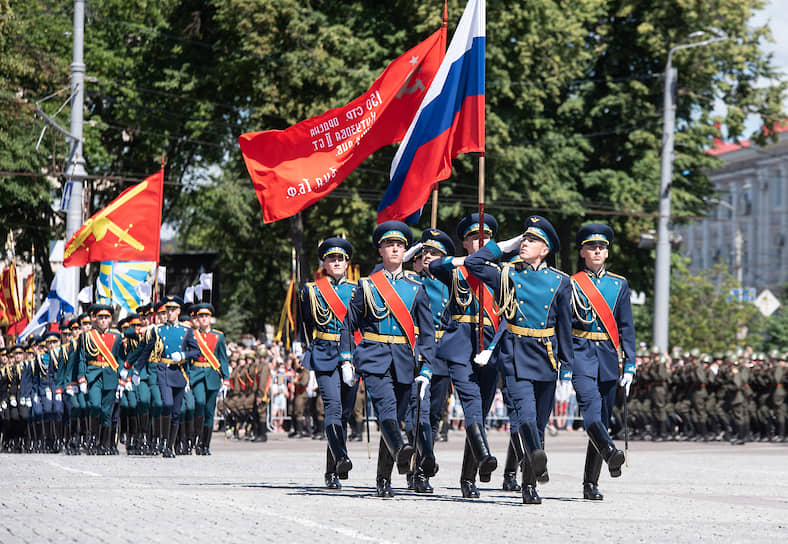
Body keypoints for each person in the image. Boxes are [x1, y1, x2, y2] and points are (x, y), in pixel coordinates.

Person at [465, 215, 573, 504]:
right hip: (515, 353)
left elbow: (564, 325)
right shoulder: (507, 274)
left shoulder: (561, 281)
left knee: (538, 424)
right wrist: (503, 246)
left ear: (546, 249)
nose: (526, 243)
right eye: (524, 238)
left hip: (547, 356)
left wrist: (567, 368)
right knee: (524, 416)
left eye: (533, 240)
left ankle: (529, 485)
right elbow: (473, 264)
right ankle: (532, 471)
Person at [340, 220, 436, 498]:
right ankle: (403, 450)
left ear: (405, 250)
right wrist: (347, 359)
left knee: (393, 417)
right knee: (386, 411)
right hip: (373, 357)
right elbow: (349, 323)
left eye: (399, 245)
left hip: (405, 360)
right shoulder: (368, 285)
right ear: (380, 250)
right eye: (389, 244)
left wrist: (427, 368)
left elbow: (427, 332)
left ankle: (384, 478)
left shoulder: (416, 286)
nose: (394, 248)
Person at [428, 214, 500, 498]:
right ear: (466, 243)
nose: (480, 242)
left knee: (480, 411)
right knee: (470, 402)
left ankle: (467, 477)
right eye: (474, 239)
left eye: (486, 239)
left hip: (490, 345)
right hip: (459, 344)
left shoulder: (503, 273)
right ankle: (483, 455)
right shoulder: (455, 270)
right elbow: (434, 265)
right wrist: (461, 261)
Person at [566, 223, 634, 500]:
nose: (597, 251)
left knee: (603, 419)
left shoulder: (619, 285)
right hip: (580, 353)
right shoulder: (569, 282)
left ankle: (590, 483)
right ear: (582, 251)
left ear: (606, 253)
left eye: (601, 247)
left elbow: (626, 327)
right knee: (591, 411)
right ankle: (609, 451)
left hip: (607, 357)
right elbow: (561, 324)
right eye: (592, 247)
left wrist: (630, 364)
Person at [298, 236, 360, 489]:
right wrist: (304, 350)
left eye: (340, 258)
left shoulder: (358, 290)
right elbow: (304, 324)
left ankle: (333, 466)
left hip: (352, 356)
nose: (336, 262)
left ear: (347, 263)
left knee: (345, 413)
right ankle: (340, 459)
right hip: (324, 352)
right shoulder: (311, 290)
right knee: (332, 408)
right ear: (324, 262)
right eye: (331, 258)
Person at [403, 228, 453, 493]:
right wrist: (410, 251)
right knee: (416, 412)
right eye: (424, 253)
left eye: (434, 254)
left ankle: (422, 470)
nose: (428, 258)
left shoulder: (451, 284)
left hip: (441, 354)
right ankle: (418, 467)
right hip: (416, 350)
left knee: (433, 415)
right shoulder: (410, 279)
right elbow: (382, 270)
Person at [139, 295, 199, 457]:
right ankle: (163, 440)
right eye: (168, 310)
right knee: (167, 403)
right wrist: (137, 370)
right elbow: (147, 351)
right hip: (163, 370)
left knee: (177, 411)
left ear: (179, 311)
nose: (170, 313)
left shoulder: (186, 331)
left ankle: (169, 446)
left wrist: (184, 355)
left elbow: (196, 352)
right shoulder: (159, 330)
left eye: (173, 310)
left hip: (179, 371)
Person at [76, 304, 124, 455]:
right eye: (100, 317)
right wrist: (81, 377)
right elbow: (81, 359)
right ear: (95, 319)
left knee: (106, 411)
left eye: (106, 317)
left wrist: (122, 378)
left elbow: (120, 359)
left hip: (110, 376)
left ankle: (105, 443)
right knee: (95, 405)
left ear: (110, 319)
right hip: (93, 375)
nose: (103, 320)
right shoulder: (86, 337)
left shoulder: (117, 337)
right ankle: (93, 440)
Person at [189, 303, 230, 455]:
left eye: (206, 316)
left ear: (210, 318)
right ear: (198, 319)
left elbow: (223, 358)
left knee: (209, 411)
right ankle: (197, 439)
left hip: (212, 376)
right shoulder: (192, 335)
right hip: (197, 373)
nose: (204, 319)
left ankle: (205, 445)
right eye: (201, 316)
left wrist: (226, 378)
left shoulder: (218, 336)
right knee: (199, 403)